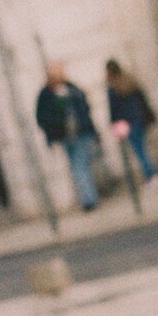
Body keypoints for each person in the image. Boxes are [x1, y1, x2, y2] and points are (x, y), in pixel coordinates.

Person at [35, 62, 101, 211]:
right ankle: (89, 199)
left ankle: (88, 199)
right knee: (80, 166)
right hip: (67, 135)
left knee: (79, 166)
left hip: (79, 133)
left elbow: (85, 111)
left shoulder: (70, 89)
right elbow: (42, 117)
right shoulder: (50, 94)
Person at [105, 59, 158, 186]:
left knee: (140, 151)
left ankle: (151, 176)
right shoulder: (130, 81)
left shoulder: (113, 88)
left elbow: (114, 109)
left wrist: (114, 123)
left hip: (127, 123)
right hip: (139, 119)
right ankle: (153, 175)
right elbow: (143, 100)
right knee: (143, 149)